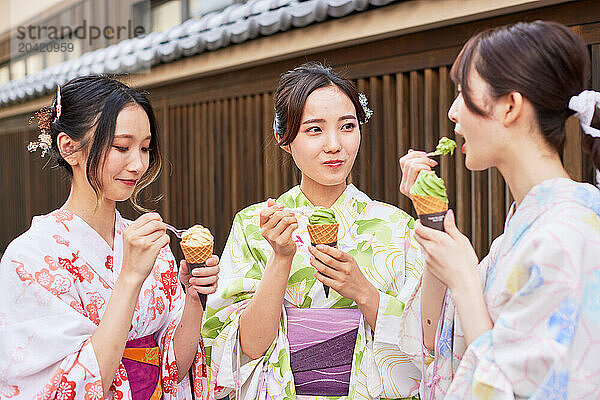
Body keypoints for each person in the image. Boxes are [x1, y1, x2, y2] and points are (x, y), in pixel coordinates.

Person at [202, 63, 445, 400]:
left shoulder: (396, 225)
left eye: (347, 126)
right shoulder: (254, 224)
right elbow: (246, 348)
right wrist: (281, 257)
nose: (334, 144)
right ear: (284, 139)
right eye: (314, 130)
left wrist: (363, 291)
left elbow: (431, 339)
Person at [398, 20, 600, 399]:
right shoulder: (526, 226)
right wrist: (435, 229)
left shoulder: (569, 233)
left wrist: (463, 280)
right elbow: (433, 340)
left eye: (463, 92)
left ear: (510, 106)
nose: (453, 111)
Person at [0, 76, 219, 399]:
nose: (139, 164)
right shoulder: (30, 258)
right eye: (121, 147)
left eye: (145, 148)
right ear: (68, 147)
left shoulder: (149, 248)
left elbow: (175, 367)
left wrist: (193, 297)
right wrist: (130, 276)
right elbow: (65, 389)